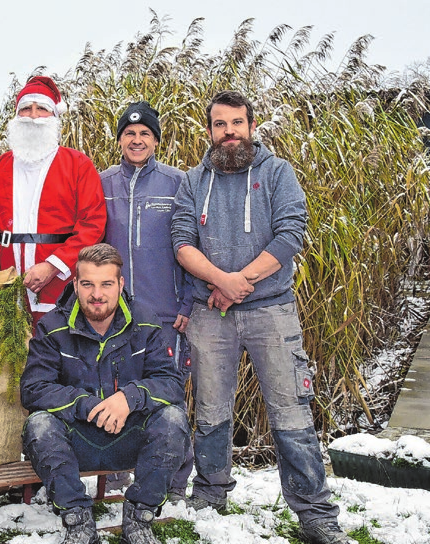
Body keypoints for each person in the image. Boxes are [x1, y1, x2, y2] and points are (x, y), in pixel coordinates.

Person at [171, 90, 355, 544]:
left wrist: (239, 283)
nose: (228, 132)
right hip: (210, 313)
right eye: (219, 124)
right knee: (210, 410)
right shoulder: (194, 181)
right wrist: (220, 281)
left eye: (236, 122)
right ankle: (210, 495)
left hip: (271, 310)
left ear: (251, 126)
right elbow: (181, 241)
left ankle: (314, 513)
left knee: (291, 411)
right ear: (209, 130)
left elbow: (292, 232)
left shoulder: (276, 172)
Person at [21, 243, 191, 544]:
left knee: (174, 419)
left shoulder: (145, 321)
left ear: (120, 284)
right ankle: (77, 520)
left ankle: (140, 516)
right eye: (87, 284)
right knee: (38, 425)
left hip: (130, 437)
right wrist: (87, 405)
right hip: (76, 442)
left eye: (106, 284)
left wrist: (129, 398)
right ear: (75, 284)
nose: (96, 294)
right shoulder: (52, 327)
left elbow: (171, 382)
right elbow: (33, 389)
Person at [99, 101, 195, 498]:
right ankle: (117, 472)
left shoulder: (178, 182)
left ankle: (173, 480)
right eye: (129, 134)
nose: (136, 140)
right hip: (118, 314)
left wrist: (187, 304)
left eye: (145, 134)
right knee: (117, 390)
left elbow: (193, 245)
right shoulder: (102, 183)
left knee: (167, 394)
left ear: (155, 140)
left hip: (165, 313)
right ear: (119, 139)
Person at [0, 75, 106, 325]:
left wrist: (52, 266)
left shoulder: (77, 166)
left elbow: (92, 224)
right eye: (26, 108)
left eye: (41, 108)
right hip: (5, 294)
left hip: (61, 290)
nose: (32, 115)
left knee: (58, 361)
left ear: (54, 116)